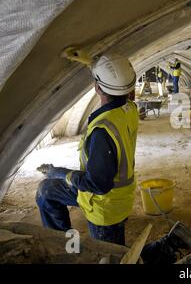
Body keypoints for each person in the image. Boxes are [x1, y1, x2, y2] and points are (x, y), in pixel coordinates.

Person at [35, 54, 140, 245]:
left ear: (97, 88)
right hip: (117, 195)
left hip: (104, 206)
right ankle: (64, 245)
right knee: (46, 190)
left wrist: (60, 173)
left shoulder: (103, 130)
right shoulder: (129, 109)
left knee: (110, 255)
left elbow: (97, 185)